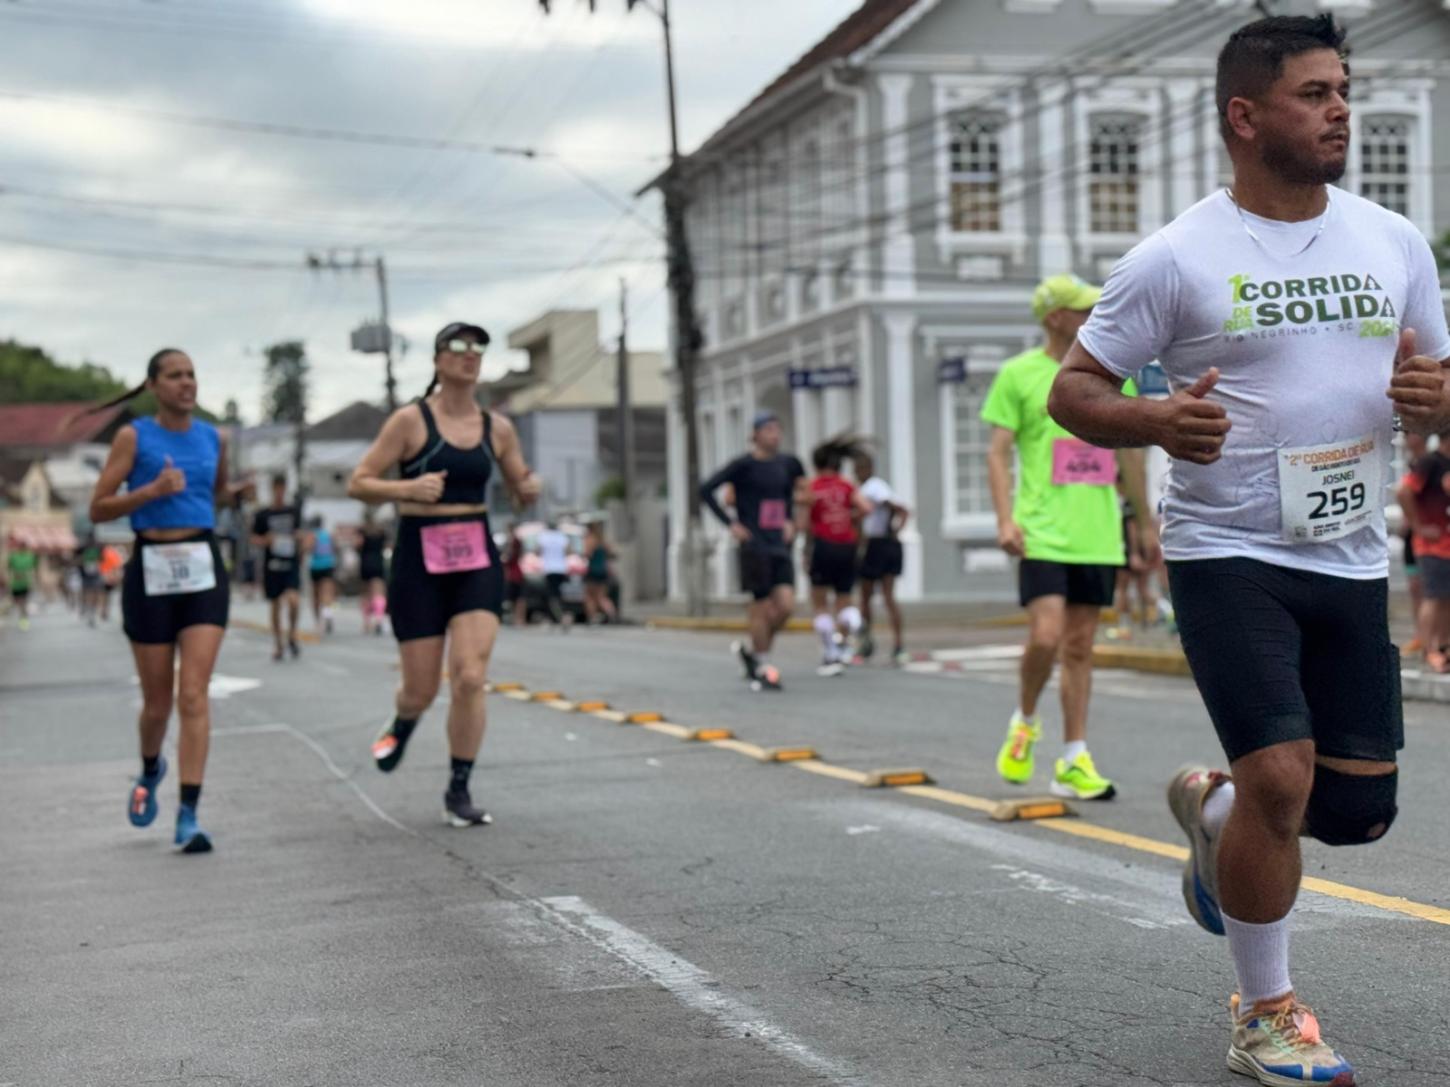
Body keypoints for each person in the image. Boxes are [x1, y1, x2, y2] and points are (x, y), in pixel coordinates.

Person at [1048, 15, 1450, 1084]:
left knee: (1354, 811)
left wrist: (1435, 397)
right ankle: (1265, 1009)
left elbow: (1441, 388)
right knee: (1282, 776)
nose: (1339, 110)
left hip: (1352, 552)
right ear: (1244, 116)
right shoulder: (1174, 258)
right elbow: (1073, 390)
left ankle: (1213, 810)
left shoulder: (1392, 242)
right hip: (1225, 549)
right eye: (1314, 92)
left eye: (1341, 90)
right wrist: (1157, 422)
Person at [348, 321, 541, 827]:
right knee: (421, 688)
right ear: (437, 360)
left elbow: (521, 485)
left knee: (471, 677)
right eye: (458, 346)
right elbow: (359, 482)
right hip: (419, 558)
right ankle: (405, 719)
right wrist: (405, 491)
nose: (469, 354)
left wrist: (529, 488)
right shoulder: (410, 422)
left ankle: (459, 789)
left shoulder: (497, 428)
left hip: (475, 553)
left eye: (478, 347)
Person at [982, 274, 1141, 802]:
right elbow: (998, 453)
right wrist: (1006, 520)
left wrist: (1144, 523)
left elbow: (1131, 452)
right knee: (1046, 637)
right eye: (1081, 309)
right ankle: (1025, 719)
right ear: (1055, 318)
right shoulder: (1019, 374)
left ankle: (1074, 757)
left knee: (1079, 647)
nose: (1092, 315)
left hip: (1096, 532)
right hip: (1042, 530)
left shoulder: (1114, 374)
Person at [88, 348, 251, 853]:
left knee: (194, 694)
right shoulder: (133, 436)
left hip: (202, 564)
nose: (187, 383)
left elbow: (215, 491)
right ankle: (150, 767)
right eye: (175, 376)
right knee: (158, 705)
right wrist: (151, 490)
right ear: (154, 385)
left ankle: (189, 814)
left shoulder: (213, 437)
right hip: (151, 564)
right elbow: (98, 508)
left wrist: (235, 493)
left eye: (192, 374)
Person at [700, 411, 806, 691]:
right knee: (759, 606)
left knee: (785, 606)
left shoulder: (788, 464)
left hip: (779, 544)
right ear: (755, 435)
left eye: (777, 429)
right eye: (769, 429)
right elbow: (706, 490)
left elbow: (789, 498)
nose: (775, 434)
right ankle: (762, 663)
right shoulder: (743, 466)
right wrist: (731, 525)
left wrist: (791, 522)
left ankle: (754, 653)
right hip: (754, 544)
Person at [799, 435, 871, 676]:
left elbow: (806, 522)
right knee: (844, 598)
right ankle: (850, 625)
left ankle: (830, 651)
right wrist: (850, 520)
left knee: (820, 603)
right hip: (846, 546)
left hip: (823, 545)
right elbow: (866, 508)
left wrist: (806, 549)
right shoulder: (847, 485)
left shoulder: (812, 487)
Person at [1398, 430, 1450, 673]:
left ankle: (1441, 646)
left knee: (1445, 599)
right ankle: (1429, 649)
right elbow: (1403, 491)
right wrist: (1417, 525)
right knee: (1432, 597)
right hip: (1431, 546)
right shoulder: (1430, 462)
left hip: (1446, 544)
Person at [853, 449, 910, 665]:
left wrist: (892, 529)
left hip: (878, 544)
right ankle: (887, 644)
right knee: (881, 596)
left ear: (867, 469)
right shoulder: (874, 487)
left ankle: (873, 643)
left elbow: (898, 508)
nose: (858, 473)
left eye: (860, 469)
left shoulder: (873, 488)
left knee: (873, 596)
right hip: (883, 543)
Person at [251, 474, 303, 662]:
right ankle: (278, 643)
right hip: (271, 564)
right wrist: (266, 540)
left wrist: (300, 540)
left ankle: (293, 634)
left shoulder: (293, 511)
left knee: (294, 601)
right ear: (272, 489)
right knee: (275, 604)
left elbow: (300, 533)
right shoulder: (263, 514)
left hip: (291, 562)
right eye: (277, 488)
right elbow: (253, 538)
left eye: (282, 488)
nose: (280, 492)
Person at [357, 512, 389, 635]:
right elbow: (387, 546)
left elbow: (358, 545)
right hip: (378, 562)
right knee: (379, 591)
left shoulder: (362, 531)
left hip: (365, 562)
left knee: (365, 593)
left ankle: (367, 622)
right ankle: (379, 618)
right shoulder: (381, 532)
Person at [537, 519, 572, 629]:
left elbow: (538, 551)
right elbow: (568, 551)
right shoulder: (562, 536)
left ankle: (558, 617)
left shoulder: (543, 536)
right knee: (558, 593)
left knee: (550, 595)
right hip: (561, 568)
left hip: (549, 569)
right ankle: (560, 616)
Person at [307, 516, 338, 634]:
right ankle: (328, 615)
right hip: (329, 564)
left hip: (316, 566)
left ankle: (318, 621)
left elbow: (308, 549)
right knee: (328, 595)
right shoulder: (328, 535)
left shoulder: (312, 535)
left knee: (315, 595)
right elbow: (334, 548)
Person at [582, 523, 617, 625]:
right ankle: (612, 613)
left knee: (589, 596)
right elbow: (612, 554)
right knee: (601, 597)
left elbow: (587, 554)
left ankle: (592, 617)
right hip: (603, 571)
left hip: (593, 570)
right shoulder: (603, 542)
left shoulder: (591, 540)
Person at [7, 538, 37, 631]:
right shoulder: (13, 556)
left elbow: (33, 569)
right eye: (21, 545)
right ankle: (22, 616)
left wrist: (33, 580)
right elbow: (9, 568)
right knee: (17, 602)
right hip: (15, 584)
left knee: (23, 602)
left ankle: (24, 620)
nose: (22, 547)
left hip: (25, 584)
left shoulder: (30, 556)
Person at [78, 533, 105, 627]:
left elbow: (102, 559)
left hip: (95, 574)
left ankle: (91, 613)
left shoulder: (98, 548)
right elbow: (78, 559)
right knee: (89, 594)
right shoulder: (83, 548)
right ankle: (89, 612)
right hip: (86, 575)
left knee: (94, 594)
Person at [502, 524, 527, 627]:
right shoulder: (513, 542)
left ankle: (519, 619)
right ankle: (517, 619)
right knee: (516, 598)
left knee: (518, 598)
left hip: (514, 574)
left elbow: (510, 557)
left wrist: (505, 559)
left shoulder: (514, 542)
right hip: (514, 573)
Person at [99, 542, 123, 622]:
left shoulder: (103, 553)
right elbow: (117, 565)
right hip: (110, 576)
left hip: (103, 575)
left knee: (104, 595)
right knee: (107, 595)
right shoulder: (113, 553)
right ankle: (105, 611)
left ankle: (104, 611)